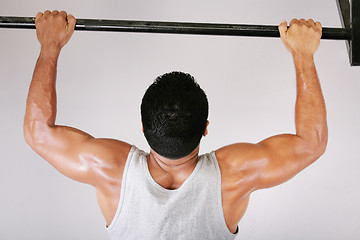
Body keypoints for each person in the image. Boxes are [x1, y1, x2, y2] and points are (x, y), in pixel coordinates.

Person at [24, 10, 328, 240]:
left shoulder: (109, 169)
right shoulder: (235, 174)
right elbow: (310, 142)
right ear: (206, 127)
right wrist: (303, 55)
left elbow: (38, 131)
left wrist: (50, 44)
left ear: (143, 126)